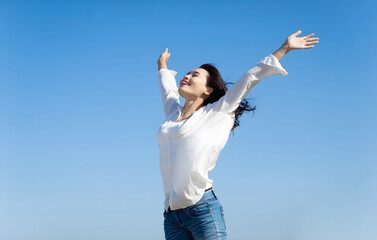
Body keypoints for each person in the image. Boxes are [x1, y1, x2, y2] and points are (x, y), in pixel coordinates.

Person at [156, 30, 319, 240]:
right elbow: (167, 89)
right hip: (171, 216)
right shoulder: (172, 115)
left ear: (207, 91)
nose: (186, 76)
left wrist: (284, 48)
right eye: (187, 73)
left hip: (201, 210)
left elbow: (251, 77)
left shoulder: (217, 112)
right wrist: (162, 66)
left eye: (194, 75)